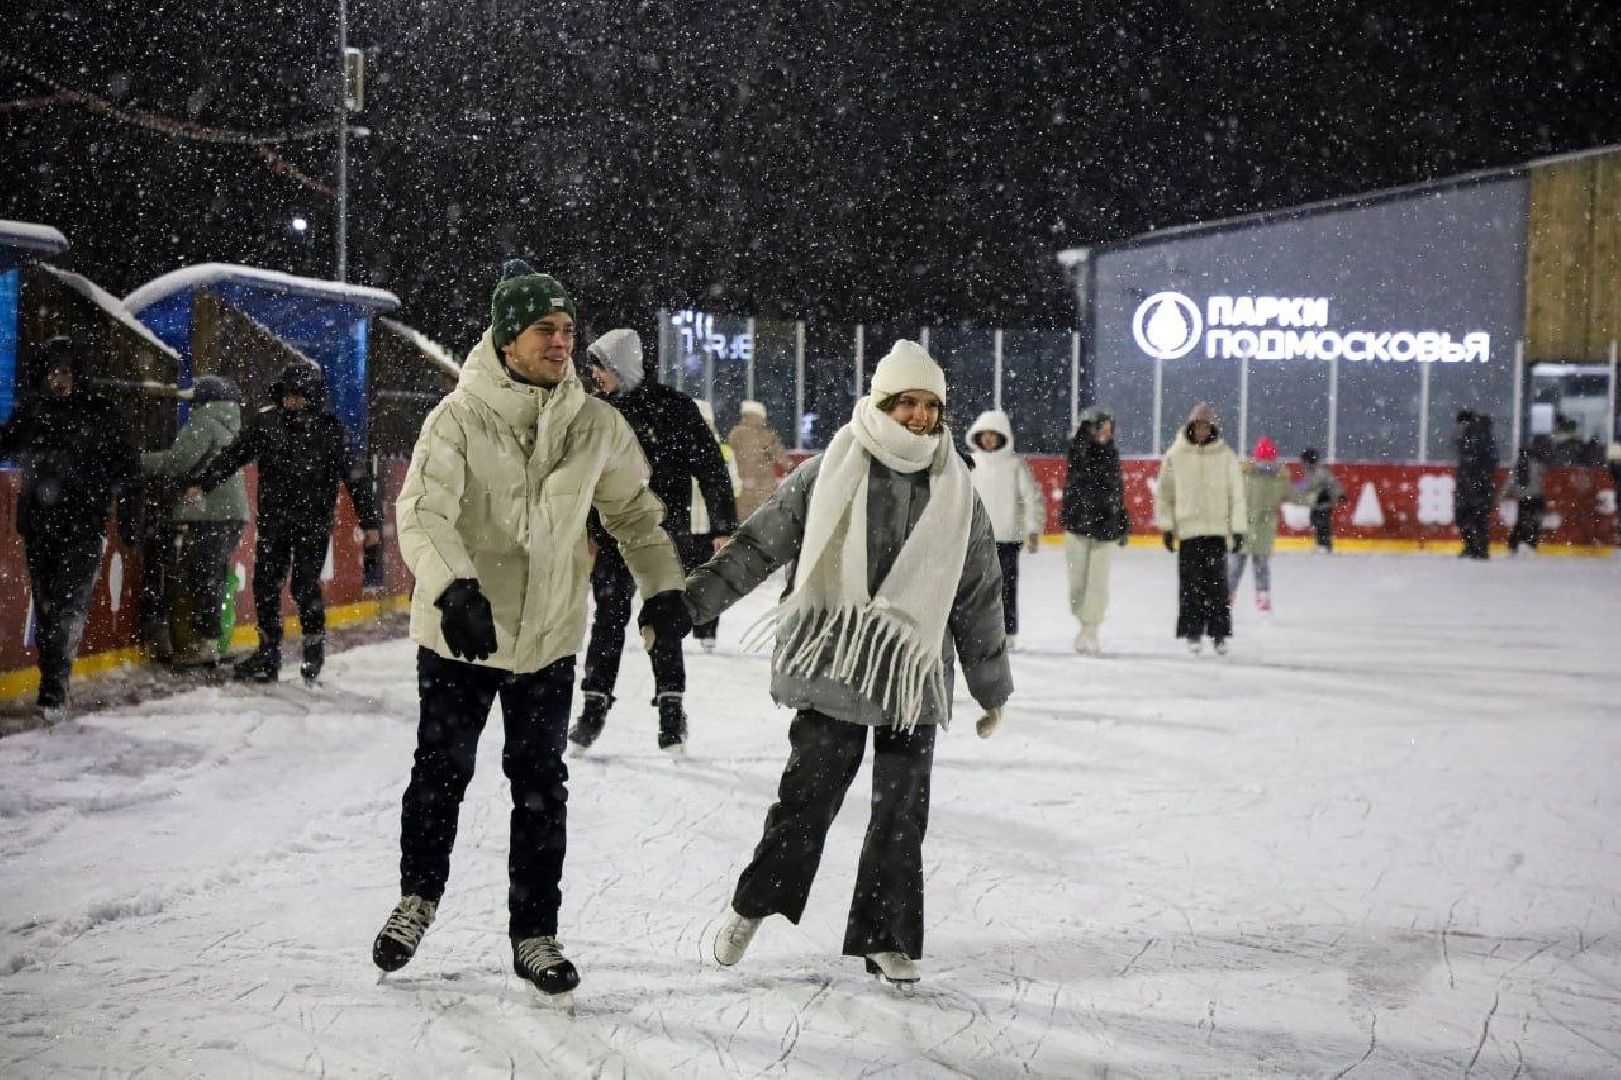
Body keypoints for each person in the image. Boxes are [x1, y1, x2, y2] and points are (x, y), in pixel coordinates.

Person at [374, 261, 689, 1006]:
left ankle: (534, 934)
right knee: (440, 773)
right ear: (508, 336)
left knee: (541, 785)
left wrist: (665, 587)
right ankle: (417, 899)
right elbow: (422, 512)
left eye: (567, 329)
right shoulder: (455, 417)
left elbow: (635, 518)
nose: (561, 341)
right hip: (463, 635)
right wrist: (453, 585)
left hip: (546, 638)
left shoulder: (597, 425)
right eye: (545, 329)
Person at [686, 340, 1012, 987]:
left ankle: (885, 937)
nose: (919, 416)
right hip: (833, 661)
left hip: (910, 673)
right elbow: (761, 543)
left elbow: (977, 592)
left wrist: (990, 685)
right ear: (883, 402)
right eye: (907, 402)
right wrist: (691, 603)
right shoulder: (832, 467)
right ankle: (753, 906)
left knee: (900, 814)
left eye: (930, 404)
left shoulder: (956, 487)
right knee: (805, 800)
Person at [568, 327, 737, 754]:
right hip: (611, 536)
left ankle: (670, 711)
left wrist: (721, 526)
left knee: (664, 620)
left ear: (620, 366)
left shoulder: (674, 409)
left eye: (601, 366)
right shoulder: (597, 413)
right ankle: (592, 709)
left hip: (663, 535)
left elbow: (711, 467)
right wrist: (579, 527)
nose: (594, 375)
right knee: (607, 618)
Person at [191, 360, 382, 683]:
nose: (293, 402)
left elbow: (356, 480)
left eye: (300, 396)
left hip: (313, 524)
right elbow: (234, 455)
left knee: (304, 586)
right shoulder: (266, 424)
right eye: (288, 395)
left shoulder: (330, 430)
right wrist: (204, 483)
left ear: (313, 397)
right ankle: (268, 654)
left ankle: (313, 651)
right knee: (265, 585)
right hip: (275, 523)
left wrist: (370, 524)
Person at [0, 336, 139, 710]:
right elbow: (4, 444)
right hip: (40, 524)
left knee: (69, 606)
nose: (57, 379)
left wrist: (127, 515)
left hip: (83, 525)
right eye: (51, 372)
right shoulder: (31, 412)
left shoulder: (100, 413)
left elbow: (126, 467)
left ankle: (53, 689)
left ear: (77, 374)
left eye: (64, 371)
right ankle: (52, 680)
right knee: (47, 607)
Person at [140, 375, 249, 667]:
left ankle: (204, 643)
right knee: (212, 575)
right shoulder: (230, 424)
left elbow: (180, 460)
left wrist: (138, 461)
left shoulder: (205, 421)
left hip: (209, 512)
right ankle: (211, 641)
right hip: (231, 512)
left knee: (202, 575)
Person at [1155, 402, 1245, 656]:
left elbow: (1236, 495)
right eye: (1198, 426)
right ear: (1190, 427)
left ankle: (1218, 634)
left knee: (1217, 586)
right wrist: (1167, 527)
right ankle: (1193, 632)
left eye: (1207, 427)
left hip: (1217, 530)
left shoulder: (1226, 456)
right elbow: (1165, 494)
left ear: (1213, 428)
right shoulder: (1176, 455)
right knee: (1190, 585)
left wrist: (1237, 528)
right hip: (1189, 531)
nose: (1202, 431)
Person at [964, 409, 1045, 649]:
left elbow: (1032, 498)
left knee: (1006, 588)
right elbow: (960, 499)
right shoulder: (970, 464)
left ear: (1003, 437)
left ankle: (1007, 632)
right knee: (977, 590)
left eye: (994, 434)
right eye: (984, 434)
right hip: (976, 538)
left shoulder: (1015, 466)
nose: (988, 439)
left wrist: (1032, 529)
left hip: (1008, 538)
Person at [1059, 405, 1130, 655]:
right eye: (1101, 429)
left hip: (1105, 528)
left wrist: (1122, 523)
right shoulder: (1078, 453)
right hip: (1078, 526)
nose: (1106, 435)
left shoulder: (1112, 456)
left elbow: (1117, 492)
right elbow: (1075, 484)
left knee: (1097, 582)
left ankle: (1091, 630)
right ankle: (1083, 623)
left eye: (1109, 431)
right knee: (1077, 581)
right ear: (1089, 429)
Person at [689, 398, 741, 650]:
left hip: (685, 525)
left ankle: (682, 626)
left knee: (682, 578)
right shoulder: (724, 451)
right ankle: (707, 631)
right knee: (710, 580)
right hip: (713, 527)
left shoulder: (676, 447)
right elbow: (735, 487)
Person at [1229, 436, 1298, 611]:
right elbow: (1294, 496)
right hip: (1257, 529)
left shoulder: (1245, 474)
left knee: (1237, 564)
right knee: (1256, 565)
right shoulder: (1276, 478)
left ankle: (1231, 594)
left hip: (1244, 527)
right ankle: (1261, 595)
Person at [728, 399, 793, 522]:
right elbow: (780, 456)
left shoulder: (734, 434)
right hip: (763, 486)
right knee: (764, 523)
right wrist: (793, 468)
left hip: (742, 487)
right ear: (761, 415)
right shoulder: (765, 435)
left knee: (743, 523)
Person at [1454, 409, 1499, 560]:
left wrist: (1477, 480)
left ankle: (1477, 548)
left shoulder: (1475, 438)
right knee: (1475, 519)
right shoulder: (1477, 437)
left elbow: (1482, 462)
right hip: (1475, 486)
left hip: (1474, 486)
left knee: (1471, 518)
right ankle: (1477, 548)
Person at [1499, 438, 1547, 555]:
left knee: (1521, 522)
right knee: (1534, 522)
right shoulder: (1536, 465)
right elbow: (1543, 474)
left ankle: (1514, 544)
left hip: (1523, 498)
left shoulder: (1517, 467)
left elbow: (1509, 483)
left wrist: (1501, 496)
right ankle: (1530, 543)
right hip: (1536, 497)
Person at [1295, 448, 1345, 553]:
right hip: (1316, 504)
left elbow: (1333, 484)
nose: (1302, 465)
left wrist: (1340, 494)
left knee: (1322, 524)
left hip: (1324, 503)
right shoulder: (1310, 473)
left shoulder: (1320, 473)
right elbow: (1307, 486)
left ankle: (1325, 545)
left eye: (1304, 462)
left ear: (1309, 462)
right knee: (1315, 521)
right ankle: (1320, 544)